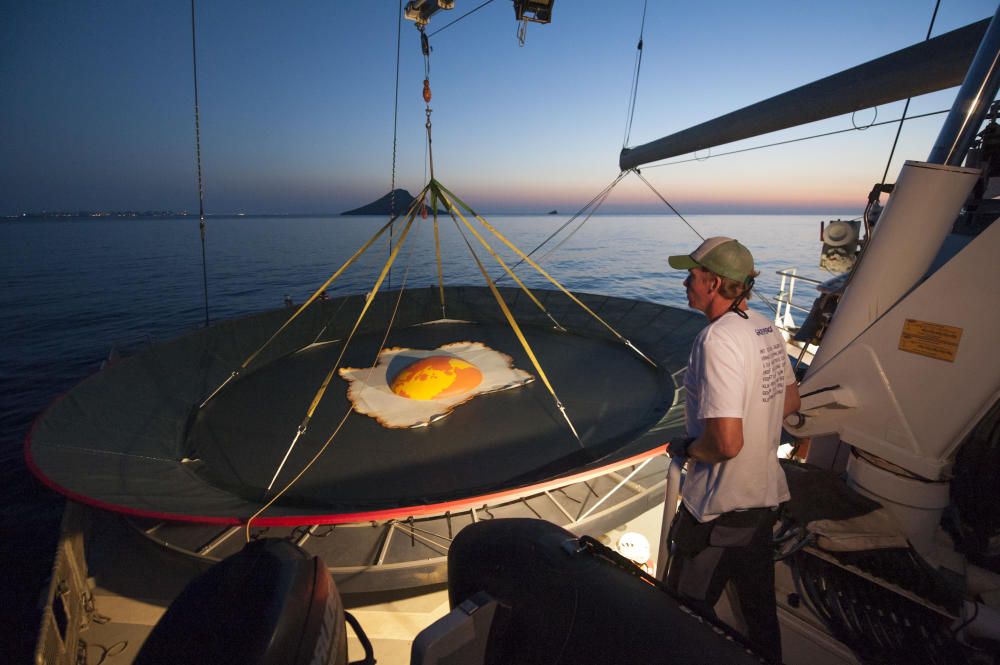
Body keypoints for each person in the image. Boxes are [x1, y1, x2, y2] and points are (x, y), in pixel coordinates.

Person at [664, 236, 800, 664]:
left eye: (692, 274)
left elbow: (726, 444)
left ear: (715, 283)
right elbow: (790, 403)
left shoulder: (715, 340)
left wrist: (685, 447)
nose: (686, 281)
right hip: (761, 504)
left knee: (679, 620)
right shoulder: (764, 326)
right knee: (760, 618)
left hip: (717, 512)